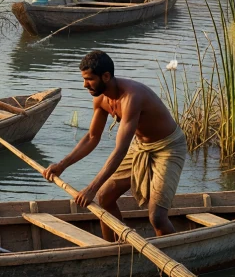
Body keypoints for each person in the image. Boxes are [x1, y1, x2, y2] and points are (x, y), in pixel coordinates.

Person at [41, 50, 187, 241]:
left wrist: (91, 187)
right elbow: (92, 137)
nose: (85, 84)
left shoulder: (131, 97)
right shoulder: (101, 99)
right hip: (141, 145)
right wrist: (62, 165)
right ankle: (114, 248)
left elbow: (120, 150)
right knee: (105, 197)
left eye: (89, 79)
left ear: (106, 76)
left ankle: (172, 255)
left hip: (168, 147)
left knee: (157, 217)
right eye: (84, 79)